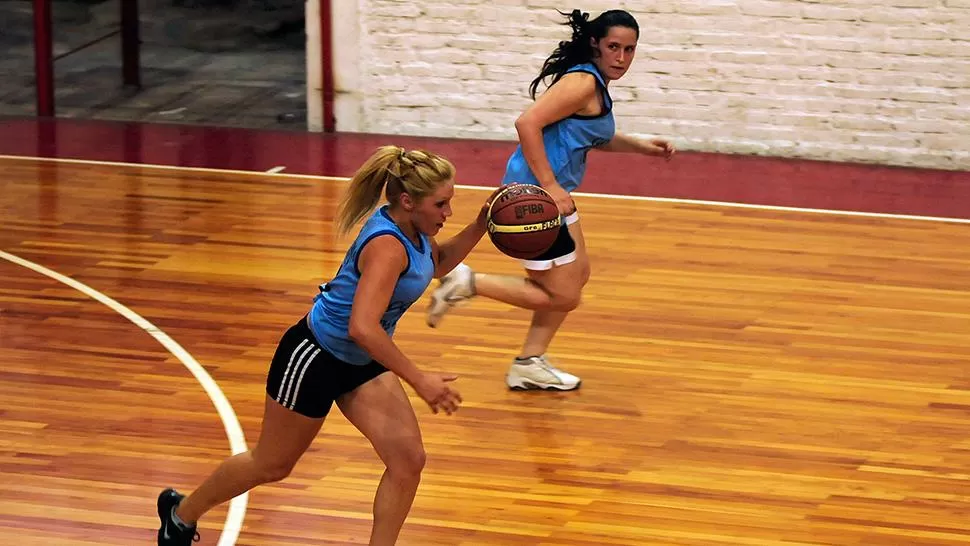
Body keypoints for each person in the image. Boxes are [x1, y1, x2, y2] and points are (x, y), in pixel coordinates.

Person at [157, 145, 495, 546]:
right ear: (407, 201)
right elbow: (362, 327)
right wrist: (420, 379)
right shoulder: (387, 247)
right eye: (441, 204)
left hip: (363, 359)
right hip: (315, 357)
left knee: (408, 461)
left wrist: (480, 225)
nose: (448, 213)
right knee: (272, 464)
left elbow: (435, 264)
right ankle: (180, 515)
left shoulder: (417, 233)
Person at [426, 8, 676, 391]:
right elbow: (527, 123)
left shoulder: (594, 84)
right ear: (595, 44)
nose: (622, 58)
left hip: (554, 196)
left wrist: (641, 146)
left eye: (629, 49)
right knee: (564, 295)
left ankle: (529, 362)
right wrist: (550, 185)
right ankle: (467, 282)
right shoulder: (582, 82)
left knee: (578, 275)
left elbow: (591, 135)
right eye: (614, 47)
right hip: (533, 200)